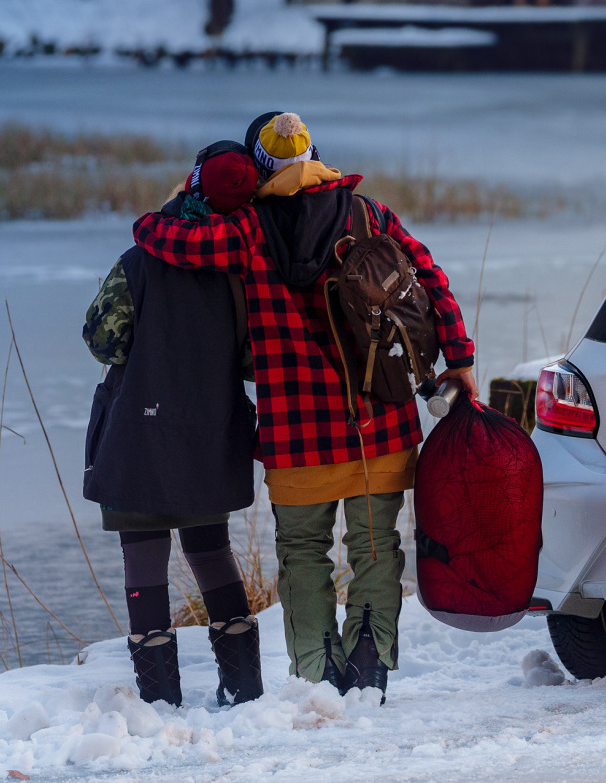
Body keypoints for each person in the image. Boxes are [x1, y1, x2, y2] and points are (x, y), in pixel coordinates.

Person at [130, 111, 476, 699]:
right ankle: (370, 666)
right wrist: (459, 357)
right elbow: (430, 276)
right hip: (381, 419)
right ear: (315, 152)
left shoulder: (246, 229)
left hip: (298, 430)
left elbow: (172, 241)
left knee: (303, 552)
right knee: (374, 547)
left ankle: (316, 674)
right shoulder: (369, 214)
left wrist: (148, 219)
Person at [83, 140, 264, 707]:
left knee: (143, 554)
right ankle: (245, 689)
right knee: (211, 551)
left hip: (138, 430)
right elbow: (253, 359)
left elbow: (101, 340)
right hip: (209, 431)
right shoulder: (242, 271)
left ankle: (160, 702)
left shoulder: (137, 261)